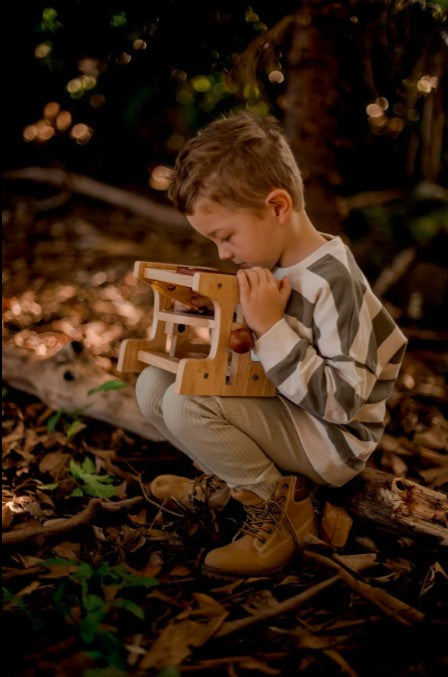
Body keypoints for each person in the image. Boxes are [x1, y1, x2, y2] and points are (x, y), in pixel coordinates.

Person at [135, 112, 407, 578]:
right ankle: (229, 481)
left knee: (186, 404)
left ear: (278, 206)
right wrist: (242, 330)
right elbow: (269, 350)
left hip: (330, 439)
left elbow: (342, 402)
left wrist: (270, 329)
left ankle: (284, 517)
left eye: (225, 236)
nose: (222, 253)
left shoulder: (332, 281)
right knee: (154, 382)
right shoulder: (274, 262)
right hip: (289, 410)